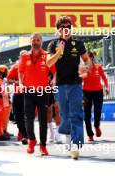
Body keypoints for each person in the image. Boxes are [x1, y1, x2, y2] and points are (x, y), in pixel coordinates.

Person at [47, 16, 92, 160]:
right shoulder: (53, 44)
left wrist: (87, 67)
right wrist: (58, 52)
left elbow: (87, 60)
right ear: (58, 29)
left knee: (77, 114)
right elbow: (48, 63)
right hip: (60, 85)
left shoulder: (78, 43)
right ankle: (68, 138)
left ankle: (76, 145)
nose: (66, 30)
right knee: (65, 115)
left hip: (76, 84)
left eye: (68, 27)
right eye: (63, 27)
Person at [19, 33, 54, 156]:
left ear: (41, 42)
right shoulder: (24, 56)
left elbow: (54, 71)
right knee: (28, 118)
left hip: (43, 92)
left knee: (43, 120)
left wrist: (54, 80)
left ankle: (43, 146)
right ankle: (32, 140)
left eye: (38, 40)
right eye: (34, 39)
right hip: (28, 91)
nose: (36, 41)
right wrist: (20, 83)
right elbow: (21, 71)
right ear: (30, 42)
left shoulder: (47, 56)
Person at [83, 51, 109, 141]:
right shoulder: (83, 68)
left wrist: (107, 88)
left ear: (92, 58)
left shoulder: (98, 67)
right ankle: (90, 135)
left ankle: (97, 126)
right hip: (86, 92)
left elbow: (104, 79)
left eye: (87, 58)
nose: (85, 60)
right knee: (87, 115)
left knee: (98, 112)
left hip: (98, 92)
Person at [7, 50, 28, 145]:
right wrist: (16, 82)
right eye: (22, 56)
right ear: (20, 57)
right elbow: (8, 79)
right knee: (17, 116)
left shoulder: (31, 66)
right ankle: (22, 132)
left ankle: (25, 135)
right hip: (17, 94)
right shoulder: (15, 67)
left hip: (28, 94)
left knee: (26, 115)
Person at [0, 65, 11, 140]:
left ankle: (3, 131)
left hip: (4, 101)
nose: (7, 73)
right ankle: (0, 134)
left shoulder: (2, 80)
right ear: (2, 71)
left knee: (3, 118)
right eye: (6, 71)